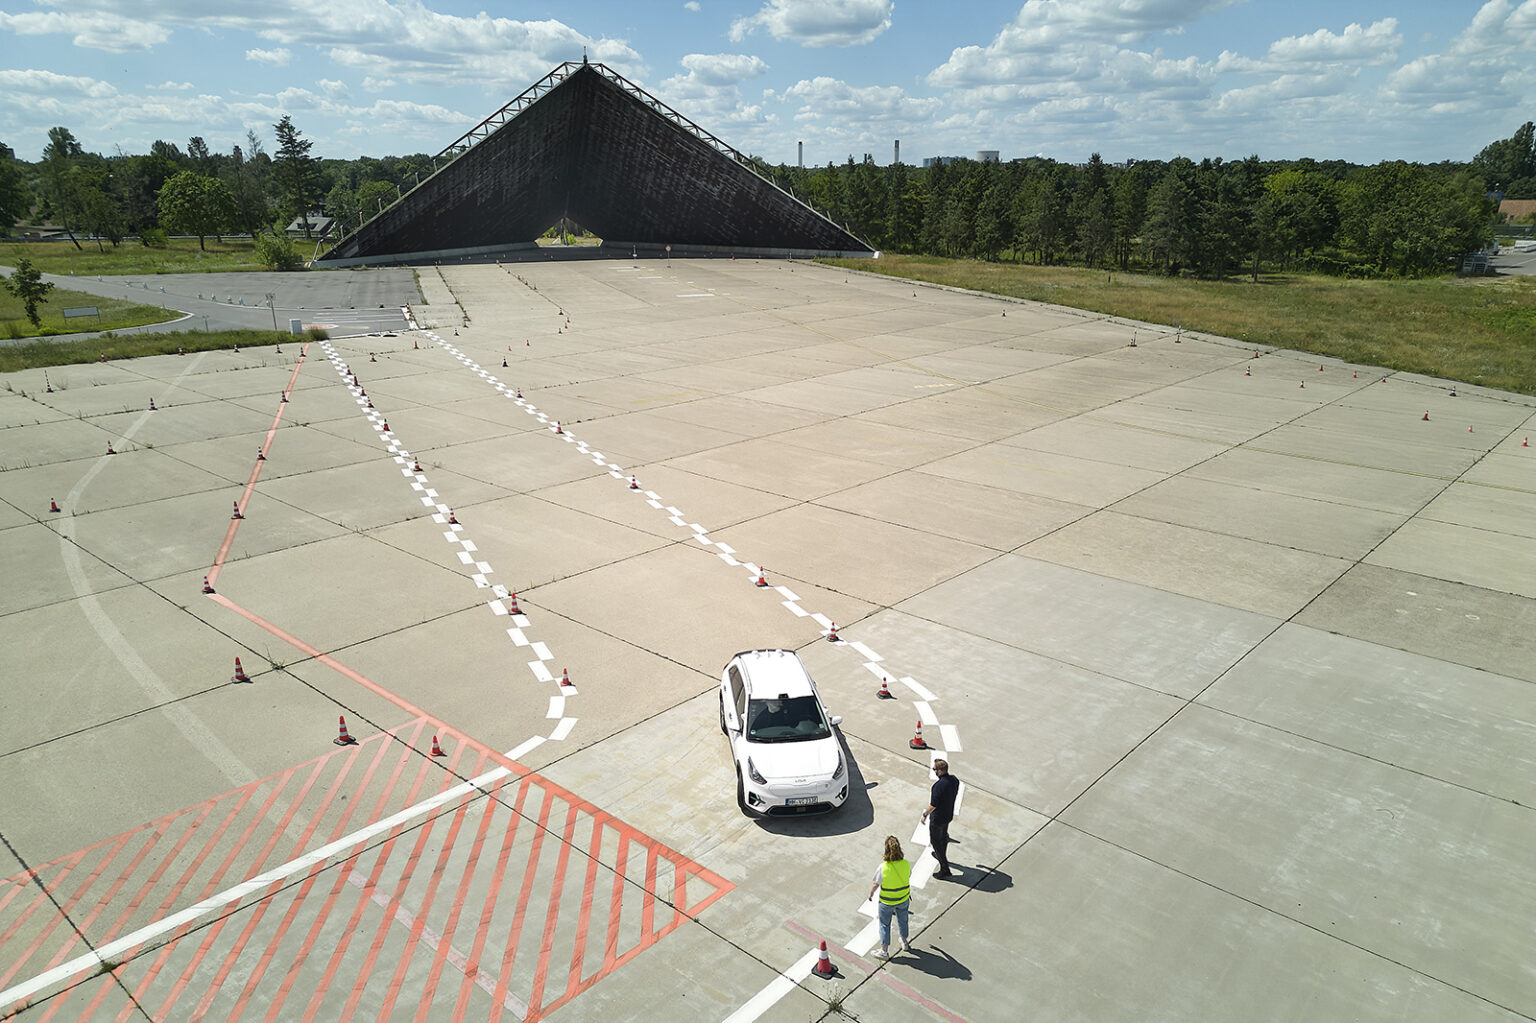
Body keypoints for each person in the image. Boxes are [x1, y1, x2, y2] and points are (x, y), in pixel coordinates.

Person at [867, 835, 911, 959]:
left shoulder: (883, 867)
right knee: (903, 920)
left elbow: (876, 883)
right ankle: (904, 941)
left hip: (887, 902)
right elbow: (908, 876)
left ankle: (884, 951)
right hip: (903, 898)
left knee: (884, 924)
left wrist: (871, 893)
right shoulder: (906, 864)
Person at [922, 759, 960, 878]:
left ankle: (944, 868)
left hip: (937, 819)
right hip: (948, 815)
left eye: (934, 769)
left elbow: (933, 805)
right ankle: (941, 853)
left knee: (935, 842)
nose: (934, 771)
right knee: (943, 837)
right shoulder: (954, 780)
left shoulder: (938, 786)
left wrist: (924, 815)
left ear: (940, 771)